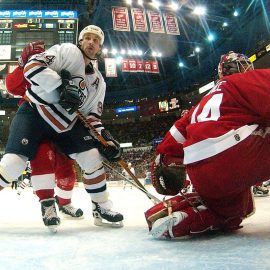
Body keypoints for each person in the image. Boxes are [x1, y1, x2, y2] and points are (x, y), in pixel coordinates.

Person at [0, 25, 123, 232]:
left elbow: (92, 117)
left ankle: (101, 207)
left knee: (93, 156)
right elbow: (32, 67)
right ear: (80, 41)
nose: (91, 42)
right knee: (12, 164)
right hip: (36, 111)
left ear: (100, 48)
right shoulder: (68, 51)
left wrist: (106, 139)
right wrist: (61, 86)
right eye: (88, 38)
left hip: (66, 123)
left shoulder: (99, 82)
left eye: (96, 40)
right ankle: (50, 203)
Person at [145, 51, 270, 239]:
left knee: (236, 209)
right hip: (235, 156)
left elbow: (172, 139)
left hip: (201, 172)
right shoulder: (249, 80)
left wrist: (162, 160)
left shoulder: (203, 101)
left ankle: (183, 215)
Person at [6, 41, 84, 220]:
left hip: (59, 123)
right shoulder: (35, 67)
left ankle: (65, 204)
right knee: (41, 159)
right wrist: (21, 66)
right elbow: (12, 86)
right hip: (36, 121)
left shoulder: (62, 64)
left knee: (66, 170)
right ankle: (48, 204)